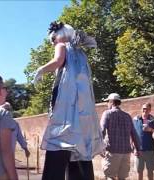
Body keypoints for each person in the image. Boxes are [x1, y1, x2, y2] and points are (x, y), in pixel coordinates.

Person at [33, 21, 105, 180]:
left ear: (58, 36)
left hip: (66, 113)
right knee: (80, 157)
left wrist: (41, 70)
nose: (53, 43)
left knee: (57, 147)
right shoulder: (80, 53)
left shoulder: (62, 46)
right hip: (82, 115)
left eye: (53, 40)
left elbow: (58, 60)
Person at [100, 93, 140, 180]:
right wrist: (138, 148)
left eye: (107, 102)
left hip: (112, 151)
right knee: (122, 177)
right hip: (126, 152)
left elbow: (102, 131)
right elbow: (134, 134)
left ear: (111, 102)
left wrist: (99, 147)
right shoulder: (127, 116)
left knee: (110, 176)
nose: (107, 104)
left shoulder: (107, 114)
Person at [132, 103, 154, 180]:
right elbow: (132, 134)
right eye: (143, 108)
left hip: (150, 149)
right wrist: (134, 148)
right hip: (139, 150)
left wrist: (151, 130)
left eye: (147, 109)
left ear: (150, 110)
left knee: (150, 171)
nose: (145, 110)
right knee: (139, 171)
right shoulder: (135, 120)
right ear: (141, 109)